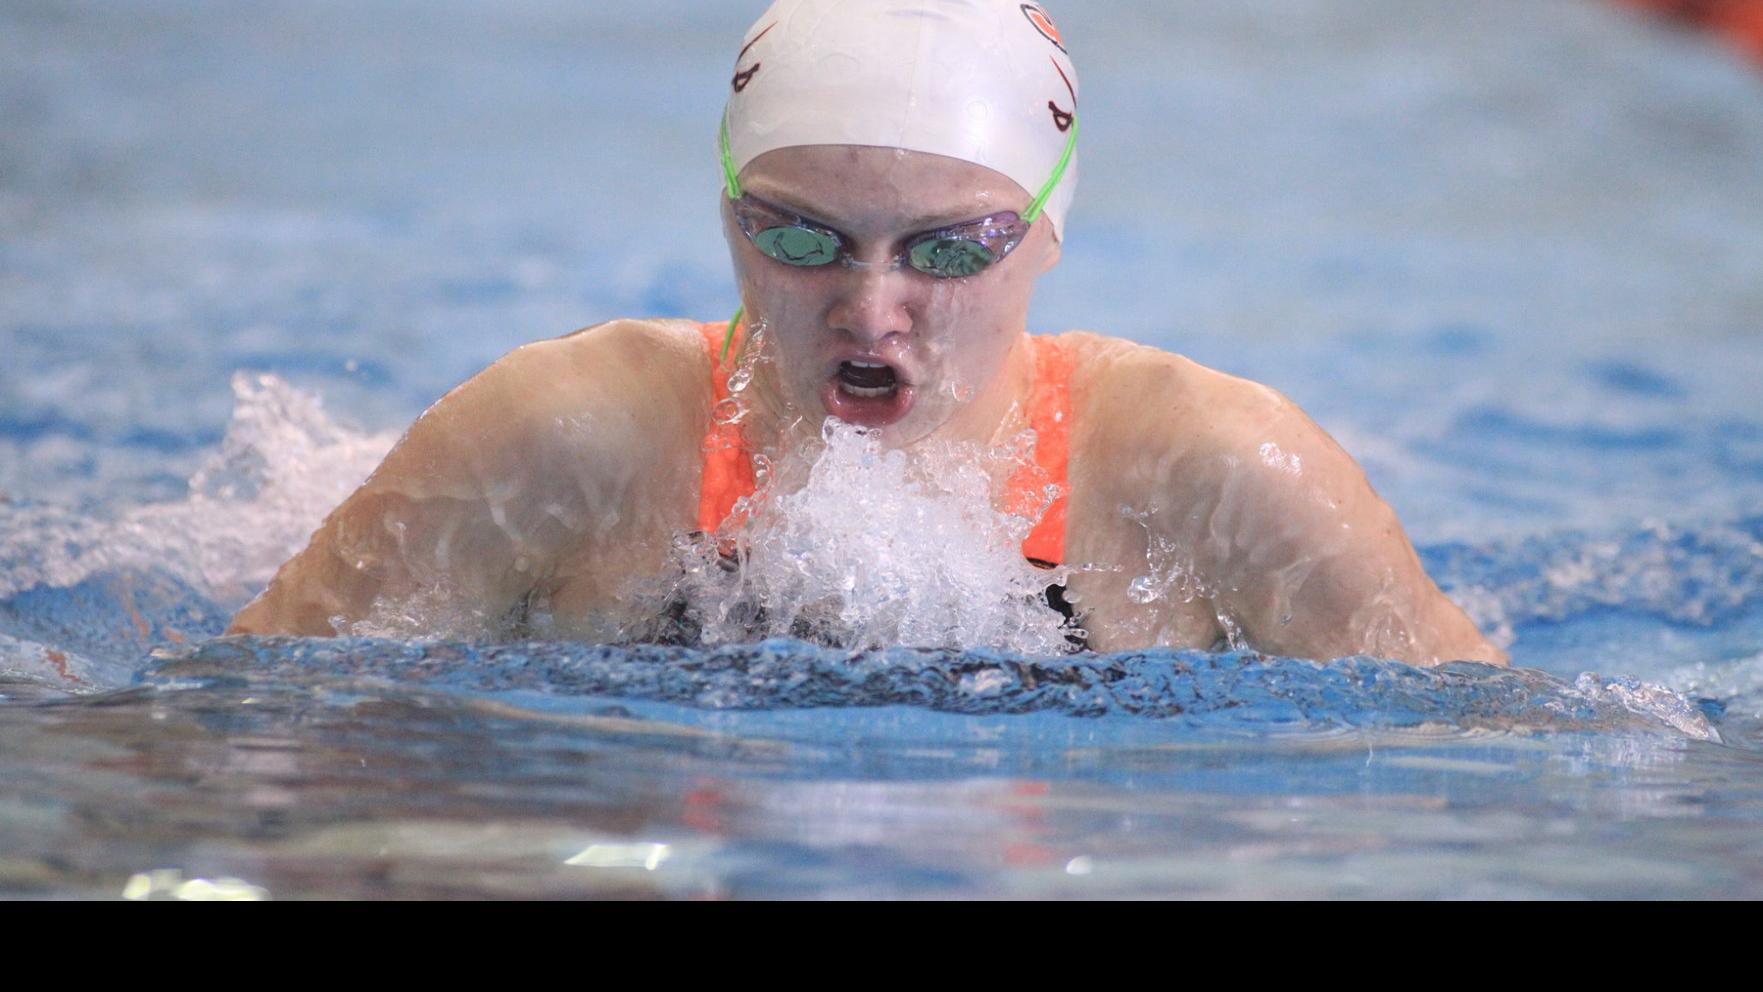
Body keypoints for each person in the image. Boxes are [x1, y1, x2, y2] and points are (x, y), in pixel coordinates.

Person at [228, 0, 1506, 667]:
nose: (870, 307)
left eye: (946, 249)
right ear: (727, 212)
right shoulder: (563, 437)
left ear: (1047, 233)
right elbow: (247, 721)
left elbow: (1486, 761)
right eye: (799, 238)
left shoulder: (1215, 473)